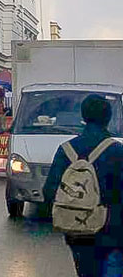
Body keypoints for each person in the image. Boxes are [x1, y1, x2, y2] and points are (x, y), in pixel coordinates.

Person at [44, 95, 123, 277]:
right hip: (113, 233)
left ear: (84, 117)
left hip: (78, 232)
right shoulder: (117, 152)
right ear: (108, 118)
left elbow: (49, 191)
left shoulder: (66, 150)